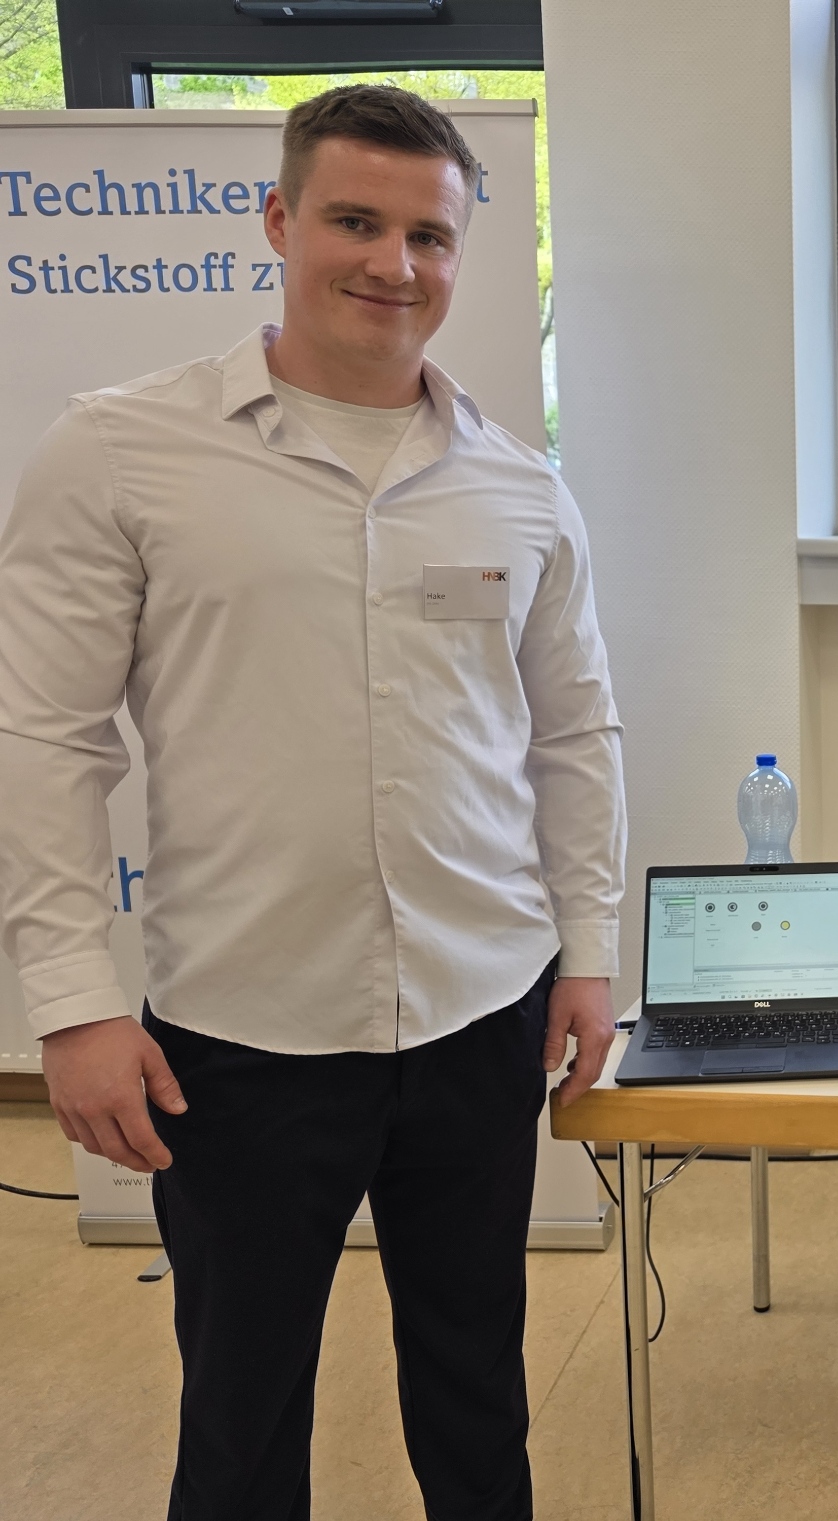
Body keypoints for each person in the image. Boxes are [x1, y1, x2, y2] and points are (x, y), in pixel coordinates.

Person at [0, 86, 624, 1521]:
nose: (393, 264)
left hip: (480, 1009)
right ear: (281, 222)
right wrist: (74, 1003)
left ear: (460, 253)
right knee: (242, 1410)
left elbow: (575, 732)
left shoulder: (523, 487)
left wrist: (587, 950)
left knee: (477, 1388)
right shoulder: (119, 452)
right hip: (242, 1032)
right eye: (355, 221)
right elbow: (46, 740)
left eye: (429, 236)